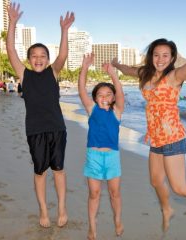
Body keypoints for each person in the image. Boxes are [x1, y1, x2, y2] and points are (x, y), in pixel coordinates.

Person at [111, 33, 186, 232]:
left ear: (172, 58)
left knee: (179, 187)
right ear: (151, 56)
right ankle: (167, 209)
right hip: (156, 137)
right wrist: (116, 64)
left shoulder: (174, 76)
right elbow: (129, 70)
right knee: (156, 181)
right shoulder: (145, 74)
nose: (161, 59)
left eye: (166, 55)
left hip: (173, 137)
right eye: (156, 55)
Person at [6, 2, 75, 228]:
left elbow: (63, 54)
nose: (38, 58)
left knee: (58, 170)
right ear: (29, 59)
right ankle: (44, 211)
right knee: (40, 172)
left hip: (57, 129)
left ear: (47, 58)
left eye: (43, 55)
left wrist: (64, 30)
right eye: (34, 55)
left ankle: (62, 208)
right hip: (34, 131)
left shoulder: (53, 72)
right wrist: (13, 23)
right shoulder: (24, 74)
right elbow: (11, 51)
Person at [78, 53, 125, 239]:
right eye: (100, 94)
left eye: (108, 94)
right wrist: (84, 68)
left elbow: (120, 93)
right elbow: (81, 90)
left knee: (115, 193)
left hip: (112, 157)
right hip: (94, 157)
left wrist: (113, 74)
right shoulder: (92, 109)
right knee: (94, 194)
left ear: (113, 97)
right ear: (95, 98)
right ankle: (92, 227)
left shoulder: (117, 111)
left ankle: (118, 220)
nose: (104, 97)